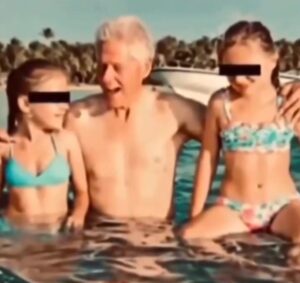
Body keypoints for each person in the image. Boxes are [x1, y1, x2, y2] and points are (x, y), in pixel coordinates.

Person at [1, 16, 300, 220]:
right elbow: (30, 132)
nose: (106, 79)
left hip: (158, 246)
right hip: (98, 247)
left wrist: (290, 90)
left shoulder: (174, 111)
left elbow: (242, 123)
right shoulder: (78, 118)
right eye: (102, 66)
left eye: (117, 67)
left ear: (145, 67)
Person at [180, 20, 300, 243]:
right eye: (230, 71)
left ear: (273, 60)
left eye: (248, 71)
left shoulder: (288, 102)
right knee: (190, 236)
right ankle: (237, 264)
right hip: (234, 208)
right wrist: (194, 215)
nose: (238, 79)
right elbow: (208, 157)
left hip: (283, 205)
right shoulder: (221, 104)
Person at [0, 59, 89, 233]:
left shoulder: (66, 142)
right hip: (13, 236)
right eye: (55, 99)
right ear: (25, 104)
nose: (65, 107)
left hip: (57, 234)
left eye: (65, 99)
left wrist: (78, 215)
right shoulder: (6, 148)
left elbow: (82, 193)